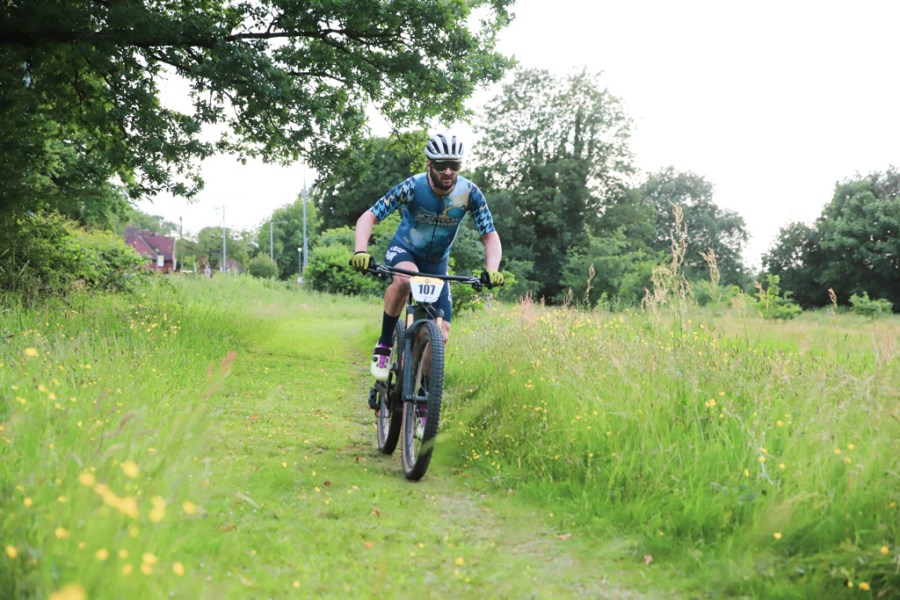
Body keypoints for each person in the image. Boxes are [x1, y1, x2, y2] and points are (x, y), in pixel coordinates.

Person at [349, 132, 504, 382]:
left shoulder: (469, 192)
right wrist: (360, 251)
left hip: (437, 264)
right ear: (429, 164)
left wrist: (492, 268)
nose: (448, 171)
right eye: (441, 165)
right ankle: (385, 343)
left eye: (454, 165)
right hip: (405, 250)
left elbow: (489, 234)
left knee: (441, 335)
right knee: (404, 280)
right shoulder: (413, 186)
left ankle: (424, 394)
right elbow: (370, 216)